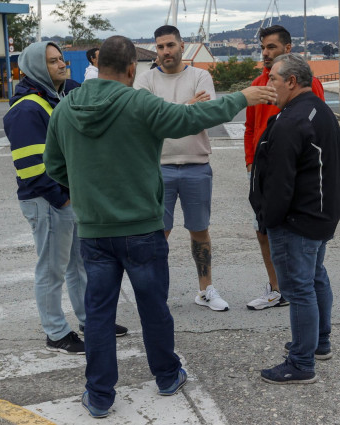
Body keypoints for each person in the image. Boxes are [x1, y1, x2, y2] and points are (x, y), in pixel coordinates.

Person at [43, 36, 275, 418]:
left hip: (94, 232)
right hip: (142, 230)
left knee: (98, 315)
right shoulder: (139, 103)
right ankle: (167, 376)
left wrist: (86, 190)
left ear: (98, 66)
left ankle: (100, 395)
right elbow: (190, 119)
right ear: (133, 69)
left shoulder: (66, 108)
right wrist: (241, 97)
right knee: (154, 308)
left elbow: (53, 165)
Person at [3, 41, 128, 357]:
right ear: (35, 68)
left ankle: (91, 321)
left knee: (78, 266)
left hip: (63, 199)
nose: (62, 64)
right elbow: (31, 167)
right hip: (46, 200)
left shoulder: (54, 96)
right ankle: (56, 333)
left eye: (61, 59)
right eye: (53, 61)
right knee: (51, 270)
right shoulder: (27, 109)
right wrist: (62, 199)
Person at [249, 53, 340, 384]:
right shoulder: (319, 110)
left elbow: (279, 182)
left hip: (297, 220)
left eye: (273, 79)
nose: (268, 84)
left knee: (299, 288)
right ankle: (319, 343)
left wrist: (267, 219)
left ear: (291, 81)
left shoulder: (292, 121)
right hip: (320, 215)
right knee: (315, 277)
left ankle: (302, 362)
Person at [134, 25, 227, 311]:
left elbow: (206, 116)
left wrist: (167, 111)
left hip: (196, 165)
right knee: (158, 235)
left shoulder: (200, 75)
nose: (166, 52)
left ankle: (205, 289)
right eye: (160, 47)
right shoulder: (145, 79)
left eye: (170, 45)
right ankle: (155, 294)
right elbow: (146, 120)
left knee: (200, 231)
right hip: (158, 168)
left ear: (182, 46)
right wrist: (188, 106)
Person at [243, 25, 326, 311]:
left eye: (272, 48)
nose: (265, 53)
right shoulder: (257, 83)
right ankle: (277, 287)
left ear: (287, 48)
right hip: (263, 172)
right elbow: (250, 127)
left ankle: (297, 284)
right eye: (263, 48)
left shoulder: (304, 83)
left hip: (292, 173)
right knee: (262, 229)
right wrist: (251, 160)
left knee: (292, 231)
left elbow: (317, 127)